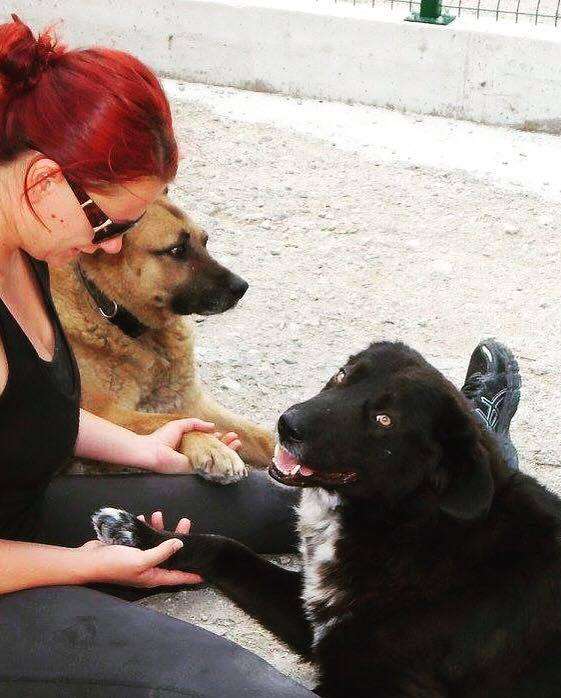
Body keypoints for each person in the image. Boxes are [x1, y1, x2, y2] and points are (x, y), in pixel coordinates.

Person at [0, 16, 522, 697]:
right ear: (43, 182)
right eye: (111, 226)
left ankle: (481, 467)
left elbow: (23, 410)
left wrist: (144, 453)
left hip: (25, 513)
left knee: (296, 501)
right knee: (231, 680)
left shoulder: (28, 241)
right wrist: (83, 567)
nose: (109, 248)